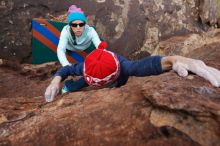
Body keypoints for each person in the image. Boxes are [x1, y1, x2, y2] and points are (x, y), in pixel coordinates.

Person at [45, 41, 220, 102]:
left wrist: (174, 60)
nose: (97, 89)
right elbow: (67, 69)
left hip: (114, 68)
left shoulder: (124, 67)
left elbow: (145, 65)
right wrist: (55, 81)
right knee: (76, 85)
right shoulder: (85, 69)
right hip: (93, 71)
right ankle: (70, 87)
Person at [57, 5, 102, 93]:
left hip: (85, 46)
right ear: (70, 25)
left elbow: (99, 45)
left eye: (81, 24)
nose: (78, 28)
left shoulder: (90, 31)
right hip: (69, 47)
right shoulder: (65, 31)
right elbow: (60, 50)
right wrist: (66, 65)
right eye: (74, 25)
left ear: (85, 24)